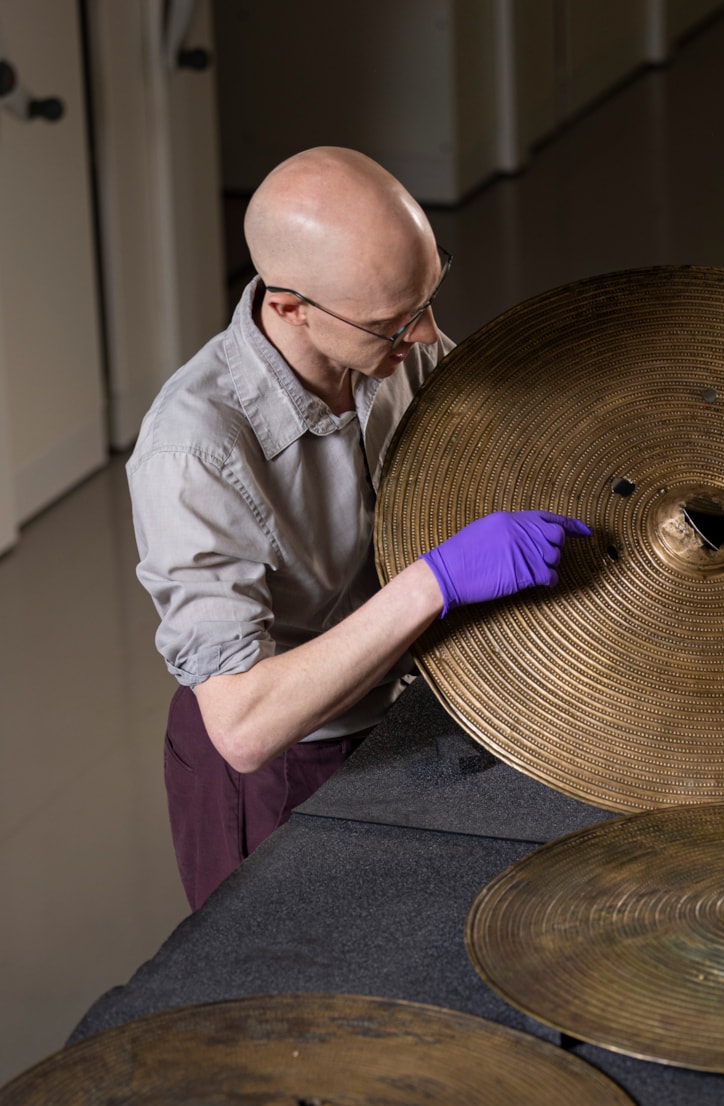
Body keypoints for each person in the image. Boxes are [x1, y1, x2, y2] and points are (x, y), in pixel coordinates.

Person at [128, 146, 587, 910]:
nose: (427, 333)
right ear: (289, 307)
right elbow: (243, 724)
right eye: (393, 321)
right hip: (283, 762)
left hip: (401, 707)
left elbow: (491, 432)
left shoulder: (389, 343)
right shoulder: (194, 450)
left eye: (429, 295)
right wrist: (436, 582)